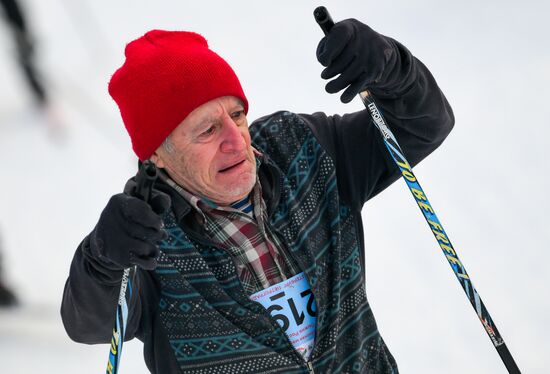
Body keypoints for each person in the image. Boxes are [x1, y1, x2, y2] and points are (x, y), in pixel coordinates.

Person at [61, 16, 454, 373]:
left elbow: (424, 123)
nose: (237, 142)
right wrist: (100, 258)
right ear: (158, 155)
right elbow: (89, 323)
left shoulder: (305, 150)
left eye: (236, 115)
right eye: (207, 130)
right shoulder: (143, 234)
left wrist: (391, 68)